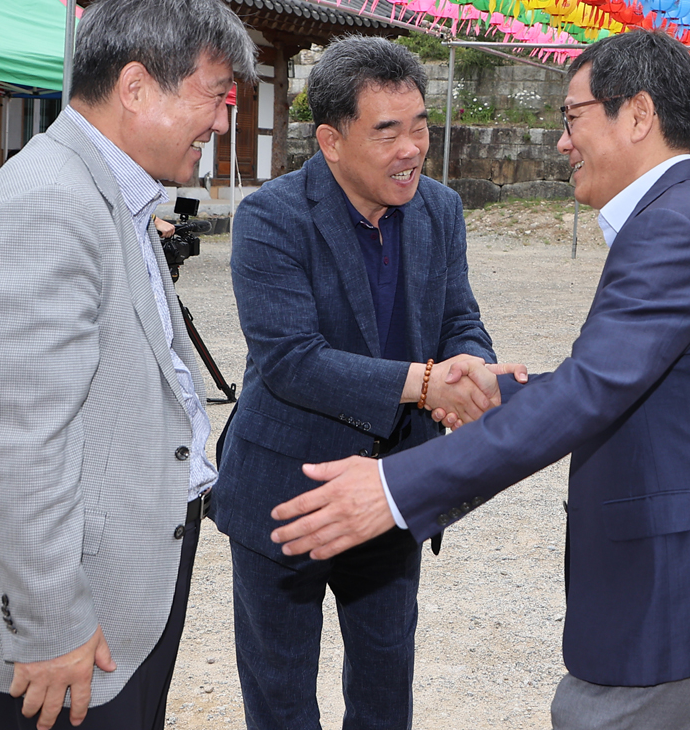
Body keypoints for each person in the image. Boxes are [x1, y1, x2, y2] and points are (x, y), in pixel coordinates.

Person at [271, 29, 690, 730]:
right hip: (685, 590)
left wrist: (397, 488)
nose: (561, 142)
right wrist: (495, 391)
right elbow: (613, 381)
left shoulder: (671, 229)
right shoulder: (679, 218)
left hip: (675, 597)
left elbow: (588, 393)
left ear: (636, 115)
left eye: (572, 117)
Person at [0, 0, 257, 730]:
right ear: (138, 86)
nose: (219, 123)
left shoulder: (108, 189)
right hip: (69, 612)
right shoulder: (55, 200)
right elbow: (20, 437)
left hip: (123, 575)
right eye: (215, 96)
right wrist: (48, 622)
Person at [214, 36, 520, 730]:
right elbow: (292, 359)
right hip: (284, 492)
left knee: (385, 690)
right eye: (387, 131)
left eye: (418, 126)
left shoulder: (438, 210)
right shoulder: (271, 217)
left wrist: (471, 366)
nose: (411, 147)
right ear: (331, 139)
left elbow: (458, 317)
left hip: (391, 487)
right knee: (281, 695)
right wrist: (424, 383)